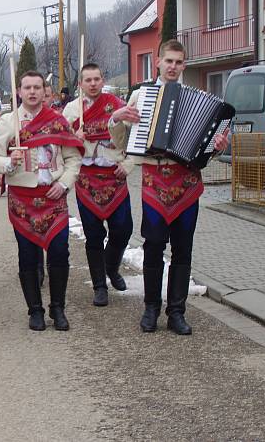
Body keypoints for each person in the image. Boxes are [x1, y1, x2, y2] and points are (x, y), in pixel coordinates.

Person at [109, 40, 229, 335]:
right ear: (158, 62)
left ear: (184, 65)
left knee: (183, 249)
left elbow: (204, 151)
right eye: (168, 61)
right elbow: (125, 145)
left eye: (178, 62)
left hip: (187, 183)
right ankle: (151, 308)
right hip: (154, 180)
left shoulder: (200, 99)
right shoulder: (141, 96)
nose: (173, 66)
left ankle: (177, 311)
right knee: (152, 246)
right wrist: (117, 119)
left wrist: (217, 148)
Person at [0, 71, 82, 331]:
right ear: (19, 91)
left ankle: (58, 308)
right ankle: (35, 310)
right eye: (27, 87)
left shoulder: (58, 121)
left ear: (44, 90)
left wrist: (63, 184)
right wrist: (8, 161)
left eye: (37, 87)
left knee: (60, 252)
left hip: (54, 196)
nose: (32, 92)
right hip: (23, 199)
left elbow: (73, 159)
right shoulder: (9, 122)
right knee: (28, 256)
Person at [63, 63, 133, 307]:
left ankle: (111, 267)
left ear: (103, 80)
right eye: (87, 80)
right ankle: (99, 286)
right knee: (93, 235)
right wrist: (75, 137)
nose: (92, 84)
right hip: (87, 179)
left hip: (115, 176)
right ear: (80, 84)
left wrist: (130, 164)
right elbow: (62, 142)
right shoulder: (72, 110)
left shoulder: (116, 105)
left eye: (97, 79)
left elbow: (134, 137)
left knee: (123, 230)